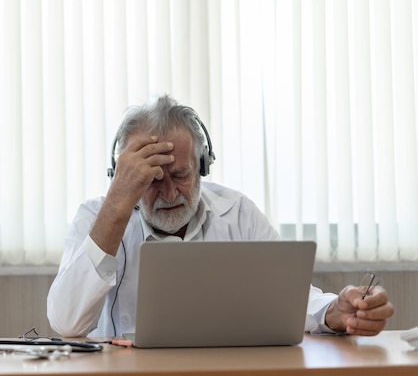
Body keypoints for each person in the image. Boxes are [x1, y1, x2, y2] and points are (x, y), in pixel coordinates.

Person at [47, 94, 394, 338]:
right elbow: (67, 323)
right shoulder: (97, 216)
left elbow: (286, 299)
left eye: (180, 176)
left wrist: (335, 311)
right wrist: (117, 205)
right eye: (151, 180)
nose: (169, 194)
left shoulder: (238, 213)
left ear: (202, 166)